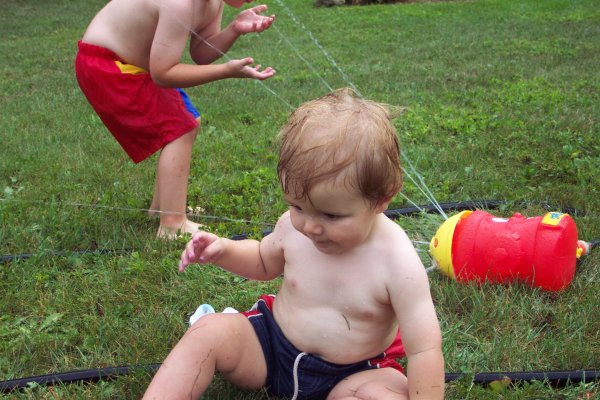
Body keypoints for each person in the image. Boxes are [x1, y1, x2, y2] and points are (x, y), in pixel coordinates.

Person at [143, 88, 445, 399]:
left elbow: (424, 349)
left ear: (382, 199)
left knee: (380, 395)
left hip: (354, 372)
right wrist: (225, 250)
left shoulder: (397, 262)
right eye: (297, 207)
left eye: (331, 215)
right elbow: (263, 260)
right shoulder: (293, 228)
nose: (311, 227)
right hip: (272, 349)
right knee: (208, 333)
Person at [75, 0, 276, 238]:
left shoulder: (214, 2)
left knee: (188, 123)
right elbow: (163, 73)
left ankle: (161, 209)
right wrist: (226, 71)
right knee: (180, 129)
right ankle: (171, 224)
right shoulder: (179, 3)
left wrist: (233, 29)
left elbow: (201, 52)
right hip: (106, 65)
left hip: (134, 63)